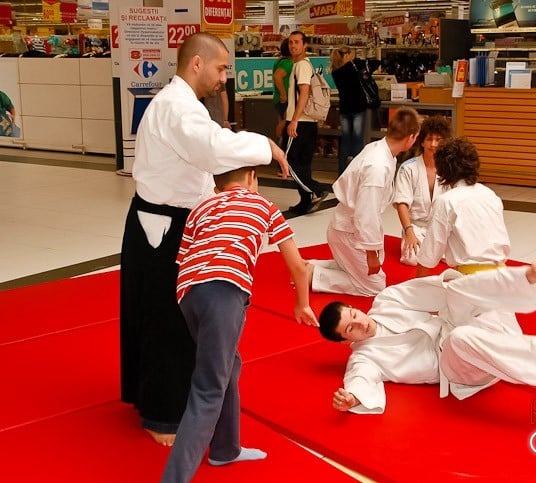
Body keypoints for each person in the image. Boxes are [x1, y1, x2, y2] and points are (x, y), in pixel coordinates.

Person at [120, 32, 289, 447]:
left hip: (168, 220)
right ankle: (160, 416)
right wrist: (266, 144)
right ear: (196, 63)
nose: (224, 77)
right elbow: (213, 150)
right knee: (168, 317)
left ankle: (155, 397)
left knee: (164, 313)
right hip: (163, 225)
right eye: (220, 68)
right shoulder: (177, 108)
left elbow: (203, 159)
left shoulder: (182, 106)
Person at [161, 166, 318, 482]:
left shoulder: (202, 207)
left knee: (228, 366)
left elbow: (181, 260)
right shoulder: (262, 204)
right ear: (251, 177)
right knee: (207, 391)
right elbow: (298, 267)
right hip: (224, 292)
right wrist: (302, 303)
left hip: (187, 293)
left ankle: (225, 449)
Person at [318, 256, 536, 414]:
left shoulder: (385, 301)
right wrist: (352, 398)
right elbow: (360, 380)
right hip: (457, 366)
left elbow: (435, 290)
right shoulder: (364, 358)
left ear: (355, 308)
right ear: (346, 341)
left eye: (354, 315)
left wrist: (463, 290)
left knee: (455, 289)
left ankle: (529, 277)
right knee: (460, 338)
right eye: (350, 329)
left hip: (472, 328)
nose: (360, 324)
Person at [308, 108, 420, 296]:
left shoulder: (380, 149)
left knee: (362, 273)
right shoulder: (378, 165)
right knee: (374, 286)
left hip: (347, 227)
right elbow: (366, 213)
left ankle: (311, 265)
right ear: (411, 138)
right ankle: (313, 274)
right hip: (349, 231)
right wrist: (371, 253)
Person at [415, 137, 510, 278]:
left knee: (390, 297)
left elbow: (428, 256)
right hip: (503, 277)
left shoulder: (447, 201)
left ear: (441, 169)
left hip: (470, 280)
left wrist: (416, 289)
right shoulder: (490, 195)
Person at [393, 115, 452, 266]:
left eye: (438, 140)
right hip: (416, 226)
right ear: (422, 141)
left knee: (457, 258)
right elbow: (401, 204)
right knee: (412, 260)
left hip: (443, 227)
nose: (433, 144)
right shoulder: (408, 168)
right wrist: (409, 232)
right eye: (429, 139)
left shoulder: (450, 168)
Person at [282, 31, 329, 215]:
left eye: (297, 42)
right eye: (291, 42)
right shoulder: (305, 64)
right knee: (303, 162)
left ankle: (315, 189)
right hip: (308, 122)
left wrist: (293, 120)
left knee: (289, 161)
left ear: (304, 45)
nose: (293, 46)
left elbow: (304, 93)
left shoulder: (301, 65)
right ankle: (305, 201)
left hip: (300, 122)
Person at [329, 46, 380, 175]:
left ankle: (342, 170)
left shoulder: (335, 71)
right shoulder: (354, 66)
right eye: (352, 54)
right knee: (358, 139)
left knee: (346, 139)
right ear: (346, 55)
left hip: (344, 108)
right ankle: (356, 171)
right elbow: (375, 63)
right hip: (358, 107)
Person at [272, 38, 293, 141]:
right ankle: (281, 148)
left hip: (279, 99)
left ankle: (280, 146)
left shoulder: (280, 61)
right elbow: (277, 76)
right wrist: (283, 94)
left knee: (282, 123)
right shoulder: (288, 63)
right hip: (284, 99)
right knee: (284, 124)